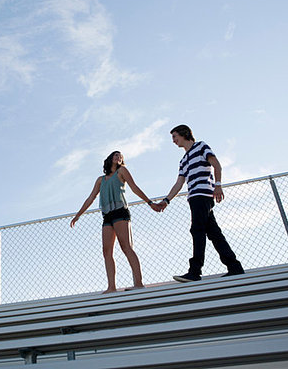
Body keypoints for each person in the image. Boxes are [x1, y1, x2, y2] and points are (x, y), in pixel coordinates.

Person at [155, 125, 244, 282]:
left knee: (197, 230)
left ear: (184, 134)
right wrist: (166, 200)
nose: (174, 141)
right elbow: (179, 183)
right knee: (214, 233)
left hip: (202, 195)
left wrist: (218, 185)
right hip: (193, 197)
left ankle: (195, 271)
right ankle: (234, 266)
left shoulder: (201, 146)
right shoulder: (183, 161)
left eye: (175, 137)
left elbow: (216, 164)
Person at [71, 151, 160, 293]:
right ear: (110, 159)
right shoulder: (101, 180)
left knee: (126, 247)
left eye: (121, 156)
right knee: (106, 251)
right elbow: (91, 198)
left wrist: (149, 202)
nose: (119, 158)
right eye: (116, 155)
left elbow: (134, 187)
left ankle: (138, 283)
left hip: (120, 212)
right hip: (107, 215)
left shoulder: (122, 171)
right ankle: (111, 287)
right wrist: (78, 215)